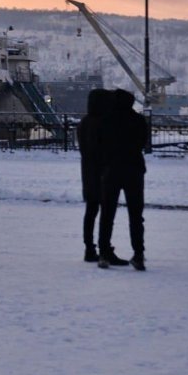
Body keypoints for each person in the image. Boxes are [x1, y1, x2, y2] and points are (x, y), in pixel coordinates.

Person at [97, 88, 147, 271]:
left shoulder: (106, 120)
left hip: (111, 171)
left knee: (107, 214)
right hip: (134, 170)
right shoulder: (138, 120)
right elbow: (143, 143)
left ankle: (103, 254)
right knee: (136, 216)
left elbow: (100, 144)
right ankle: (139, 255)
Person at [76, 89, 113, 263]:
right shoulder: (104, 123)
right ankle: (103, 246)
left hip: (88, 172)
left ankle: (89, 247)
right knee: (105, 213)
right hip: (103, 172)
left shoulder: (84, 123)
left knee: (90, 211)